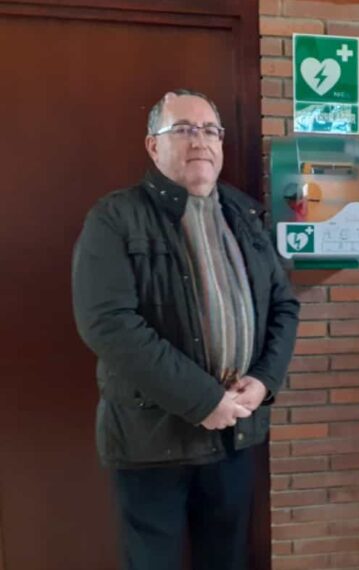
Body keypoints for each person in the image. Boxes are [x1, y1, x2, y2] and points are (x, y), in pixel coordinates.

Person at [72, 89, 300, 570]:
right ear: (153, 146)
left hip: (234, 434)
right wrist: (203, 400)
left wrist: (263, 381)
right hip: (151, 442)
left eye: (210, 131)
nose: (200, 141)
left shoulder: (246, 214)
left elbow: (284, 305)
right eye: (183, 130)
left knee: (227, 560)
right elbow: (108, 323)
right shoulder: (114, 217)